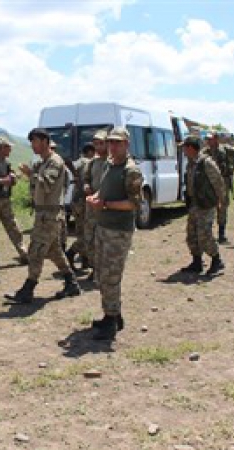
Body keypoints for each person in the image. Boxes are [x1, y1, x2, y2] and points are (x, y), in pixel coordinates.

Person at [5, 128, 80, 303]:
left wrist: (31, 174)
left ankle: (27, 290)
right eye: (31, 142)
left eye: (35, 141)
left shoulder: (54, 162)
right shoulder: (44, 162)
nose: (32, 145)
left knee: (36, 252)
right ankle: (71, 283)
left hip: (50, 213)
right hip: (45, 213)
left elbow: (47, 183)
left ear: (45, 141)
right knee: (54, 252)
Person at [86, 127, 144, 340]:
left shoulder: (131, 171)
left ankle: (110, 322)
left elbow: (134, 203)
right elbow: (104, 190)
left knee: (111, 276)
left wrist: (106, 204)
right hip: (103, 226)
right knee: (101, 274)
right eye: (110, 142)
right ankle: (114, 315)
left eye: (117, 142)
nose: (112, 146)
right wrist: (96, 197)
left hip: (118, 231)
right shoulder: (109, 165)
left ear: (126, 145)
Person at [180, 135, 227, 275]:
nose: (183, 150)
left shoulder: (206, 163)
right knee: (191, 234)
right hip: (194, 204)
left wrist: (220, 202)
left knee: (204, 235)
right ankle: (197, 262)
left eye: (184, 147)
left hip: (206, 204)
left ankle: (217, 260)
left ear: (190, 148)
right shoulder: (191, 163)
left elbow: (218, 183)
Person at [0, 136, 28, 269]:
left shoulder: (6, 163)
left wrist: (13, 178)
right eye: (8, 147)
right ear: (1, 148)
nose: (11, 150)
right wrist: (2, 181)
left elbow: (9, 179)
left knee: (13, 227)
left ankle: (23, 254)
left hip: (4, 199)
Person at [82, 130, 110, 281]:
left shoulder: (111, 163)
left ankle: (103, 270)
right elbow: (86, 178)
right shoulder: (92, 162)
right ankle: (94, 268)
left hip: (105, 207)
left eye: (101, 143)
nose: (98, 146)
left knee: (103, 240)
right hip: (91, 207)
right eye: (96, 143)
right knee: (89, 239)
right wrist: (86, 186)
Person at [201, 133, 234, 243]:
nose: (208, 141)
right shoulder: (205, 152)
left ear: (216, 139)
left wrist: (233, 168)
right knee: (208, 206)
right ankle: (208, 233)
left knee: (222, 207)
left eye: (210, 139)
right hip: (209, 183)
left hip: (223, 182)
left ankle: (221, 234)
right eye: (207, 139)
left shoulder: (226, 149)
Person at [65, 142, 96, 270]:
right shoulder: (86, 162)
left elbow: (70, 166)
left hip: (77, 202)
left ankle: (85, 261)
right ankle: (71, 253)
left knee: (81, 232)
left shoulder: (79, 161)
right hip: (83, 202)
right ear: (90, 152)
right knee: (87, 235)